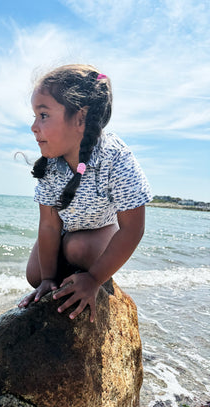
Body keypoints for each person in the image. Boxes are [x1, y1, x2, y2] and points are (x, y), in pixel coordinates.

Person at [18, 64, 152, 322]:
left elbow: (133, 228)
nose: (34, 126)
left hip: (101, 232)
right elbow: (48, 225)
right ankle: (63, 272)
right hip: (66, 230)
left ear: (81, 118)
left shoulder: (115, 157)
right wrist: (47, 280)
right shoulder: (51, 165)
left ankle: (86, 271)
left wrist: (93, 279)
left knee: (77, 247)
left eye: (43, 115)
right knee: (34, 275)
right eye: (34, 116)